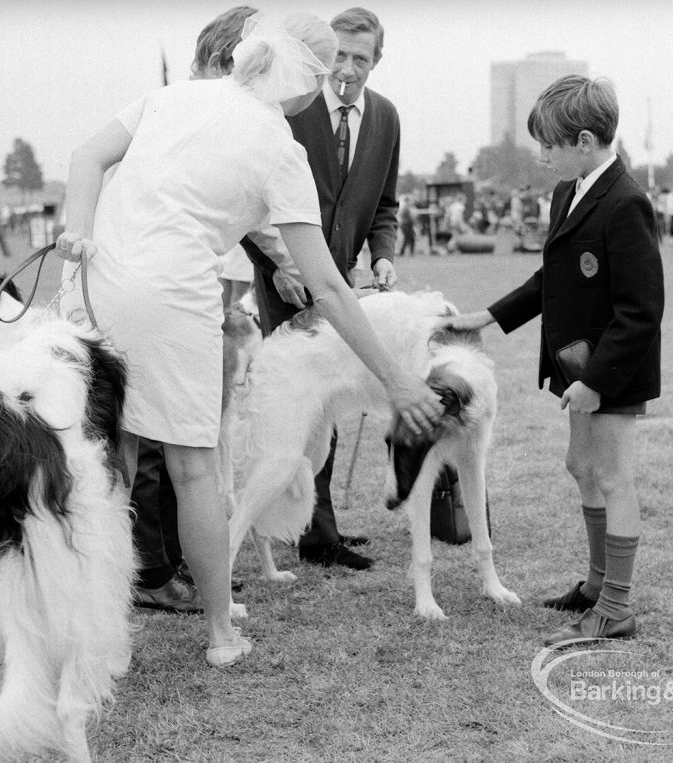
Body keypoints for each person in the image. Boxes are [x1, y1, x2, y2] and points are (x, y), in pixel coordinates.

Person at [55, 12, 441, 667]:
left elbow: (85, 156)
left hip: (90, 282)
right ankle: (219, 632)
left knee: (105, 460)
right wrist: (398, 379)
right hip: (171, 296)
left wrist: (79, 232)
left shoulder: (170, 96)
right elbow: (329, 286)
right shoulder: (280, 149)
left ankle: (87, 621)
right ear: (309, 79)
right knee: (194, 466)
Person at [441, 75, 663, 645]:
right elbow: (552, 279)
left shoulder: (627, 201)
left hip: (610, 369)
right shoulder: (570, 190)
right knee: (581, 468)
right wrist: (487, 317)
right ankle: (595, 585)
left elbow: (641, 312)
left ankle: (616, 608)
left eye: (549, 146)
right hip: (578, 368)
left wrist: (595, 382)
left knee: (613, 477)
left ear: (584, 141)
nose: (542, 158)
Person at [241, 7, 402, 571]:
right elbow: (252, 200)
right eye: (339, 56)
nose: (348, 69)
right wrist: (278, 266)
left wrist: (382, 257)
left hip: (344, 284)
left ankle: (318, 528)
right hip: (280, 282)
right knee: (293, 409)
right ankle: (291, 530)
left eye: (361, 59)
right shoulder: (295, 109)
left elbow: (384, 206)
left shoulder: (386, 118)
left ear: (376, 62)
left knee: (330, 404)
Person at [131, 5, 258, 616]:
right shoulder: (169, 113)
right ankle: (154, 573)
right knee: (160, 449)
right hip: (157, 294)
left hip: (176, 291)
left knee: (175, 449)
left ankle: (174, 564)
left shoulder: (224, 131)